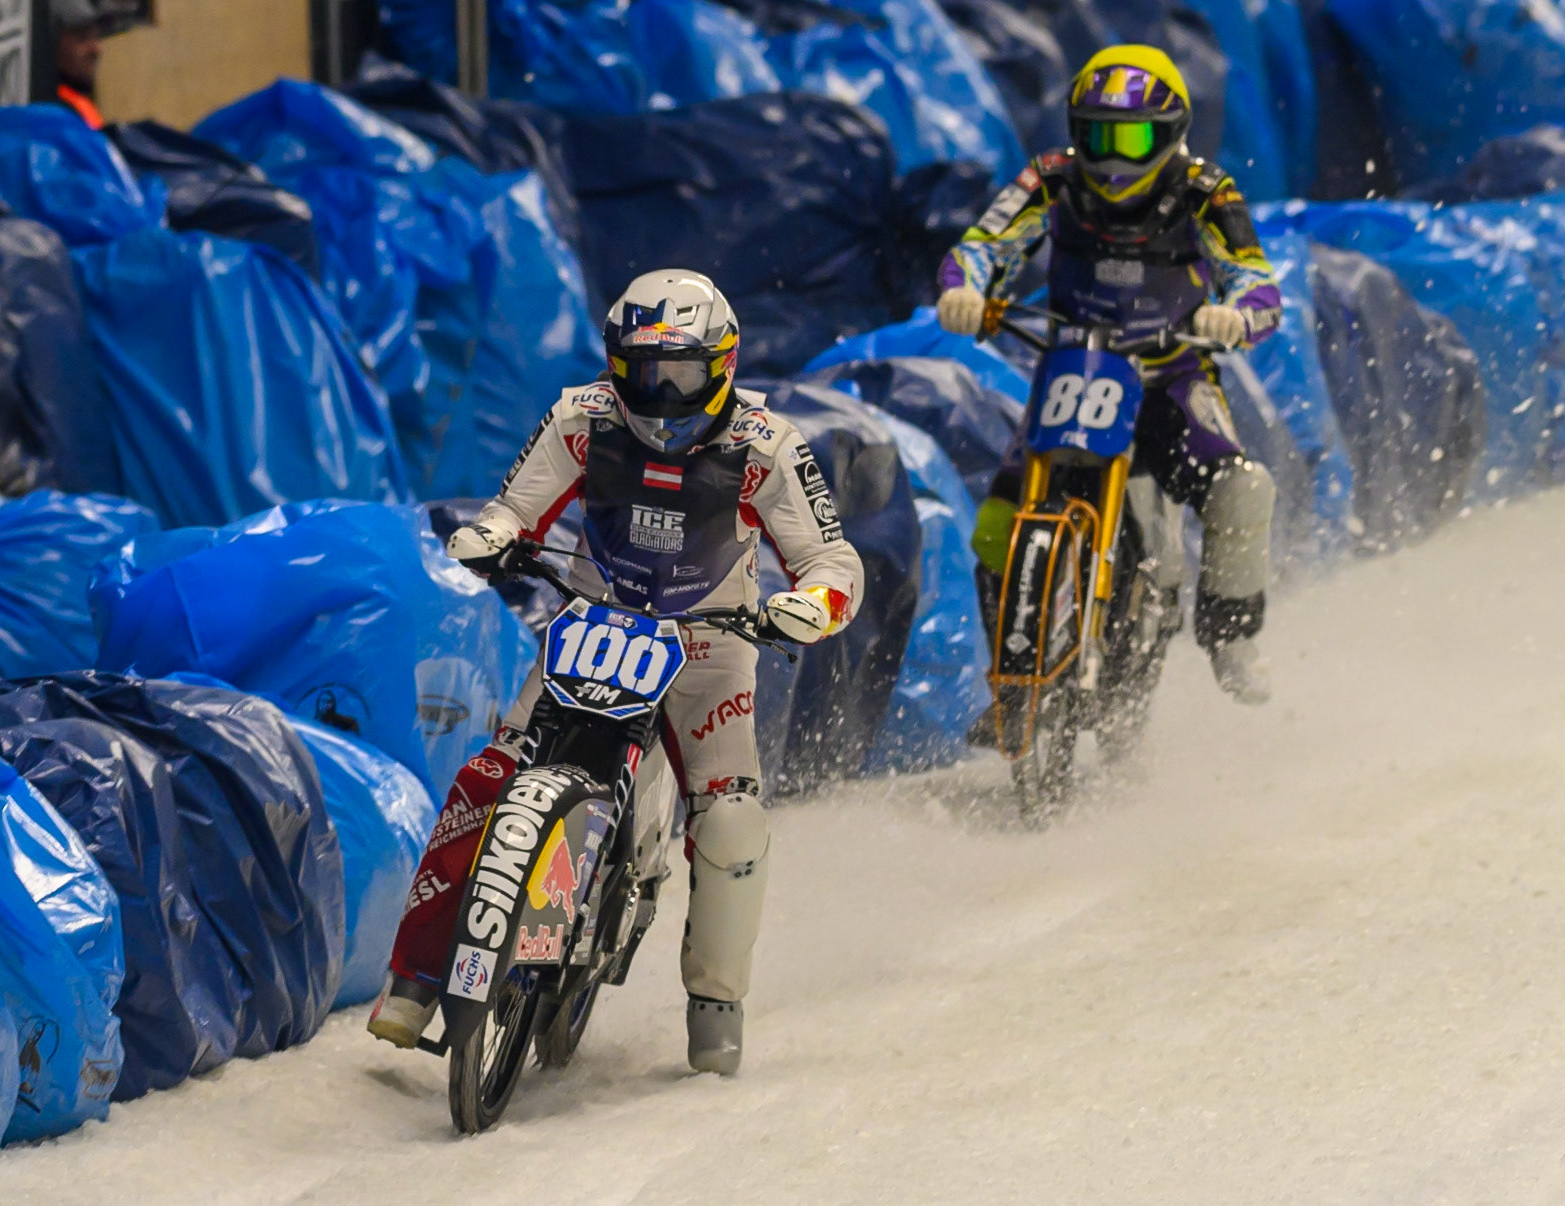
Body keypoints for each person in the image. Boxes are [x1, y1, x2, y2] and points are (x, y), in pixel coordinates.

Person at [369, 270, 864, 1075]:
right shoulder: (581, 416)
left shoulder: (767, 445)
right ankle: (415, 979)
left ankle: (715, 1007)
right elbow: (513, 506)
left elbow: (830, 557)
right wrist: (493, 535)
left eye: (682, 374)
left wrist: (815, 603)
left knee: (732, 822)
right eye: (643, 371)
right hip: (593, 622)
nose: (661, 394)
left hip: (709, 645)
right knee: (487, 778)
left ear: (723, 365)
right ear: (614, 364)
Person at [937, 44, 1282, 704]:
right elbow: (983, 245)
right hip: (1073, 364)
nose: (1113, 159)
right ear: (1075, 132)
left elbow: (1255, 279)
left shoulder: (1207, 190)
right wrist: (964, 290)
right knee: (995, 526)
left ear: (1171, 132)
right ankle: (1009, 687)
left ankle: (1231, 638)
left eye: (1132, 139)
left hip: (1171, 374)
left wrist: (1236, 316)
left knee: (1241, 489)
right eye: (1099, 137)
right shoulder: (1049, 178)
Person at [52, 0, 104, 130]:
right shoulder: (55, 117)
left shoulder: (79, 104)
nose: (96, 49)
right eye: (82, 38)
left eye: (96, 36)